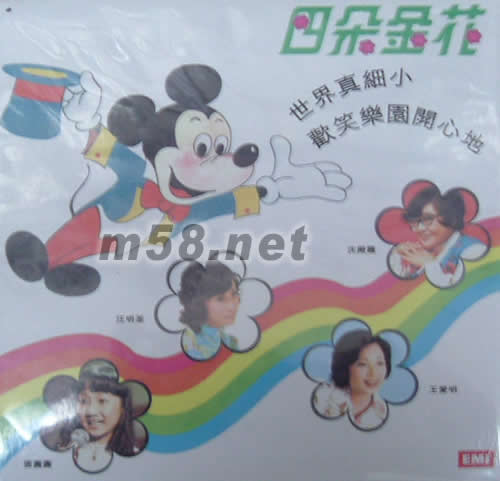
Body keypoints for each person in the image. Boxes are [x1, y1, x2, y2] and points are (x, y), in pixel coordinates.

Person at [41, 359, 149, 473]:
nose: (91, 411)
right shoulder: (63, 447)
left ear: (123, 406)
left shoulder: (136, 457)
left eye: (102, 401)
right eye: (83, 401)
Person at [388, 185, 487, 286]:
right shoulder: (422, 250)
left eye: (427, 219)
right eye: (414, 222)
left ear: (452, 219)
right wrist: (397, 254)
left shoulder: (473, 250)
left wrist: (430, 264)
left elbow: (463, 289)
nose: (418, 228)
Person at [313, 330, 391, 430]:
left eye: (380, 363)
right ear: (345, 366)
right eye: (363, 364)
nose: (373, 373)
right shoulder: (322, 397)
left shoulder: (382, 411)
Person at [179, 261, 241, 360]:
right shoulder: (188, 343)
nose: (231, 306)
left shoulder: (231, 342)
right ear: (197, 302)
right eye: (220, 298)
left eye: (234, 294)